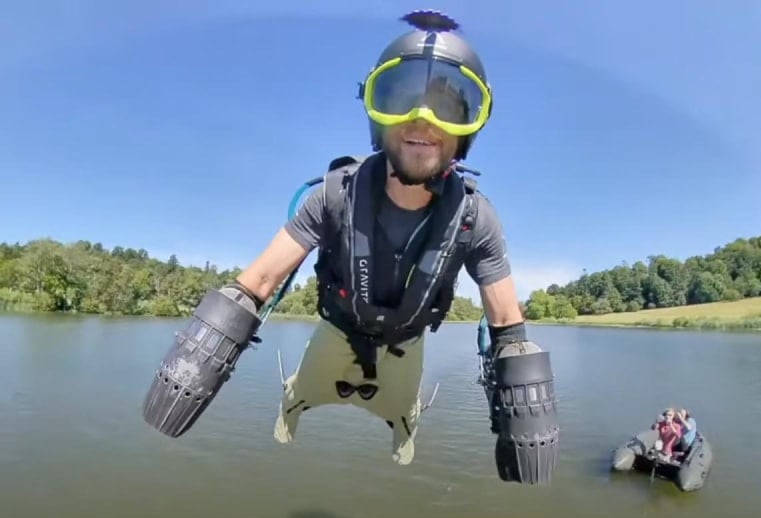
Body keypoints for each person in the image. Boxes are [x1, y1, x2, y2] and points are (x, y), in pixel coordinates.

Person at [141, 9, 559, 485]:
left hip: (407, 343)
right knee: (302, 393)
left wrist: (524, 413)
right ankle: (293, 408)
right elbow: (258, 282)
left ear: (469, 126)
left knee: (402, 416)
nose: (422, 120)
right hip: (337, 330)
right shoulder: (334, 196)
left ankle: (402, 430)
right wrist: (194, 363)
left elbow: (507, 327)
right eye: (401, 99)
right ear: (375, 112)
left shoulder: (476, 219)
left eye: (445, 108)